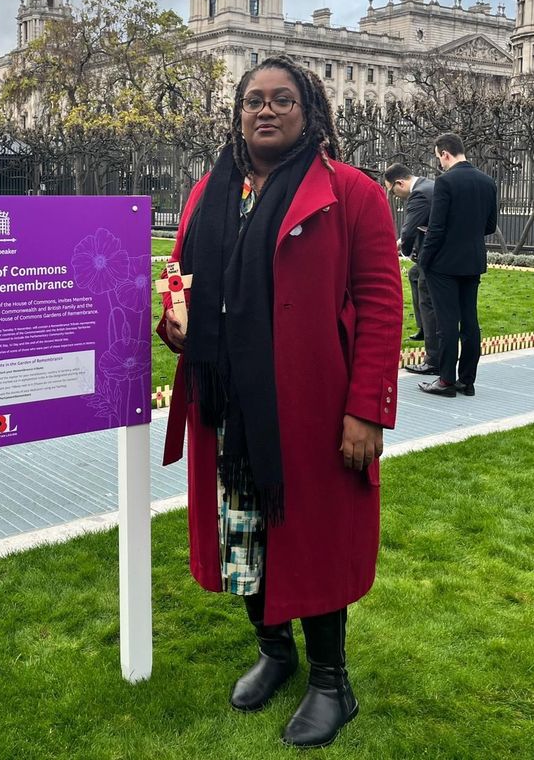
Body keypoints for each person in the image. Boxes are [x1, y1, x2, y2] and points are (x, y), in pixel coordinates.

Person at [157, 56, 403, 749]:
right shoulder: (211, 190)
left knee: (313, 540)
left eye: (282, 100)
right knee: (244, 532)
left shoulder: (350, 192)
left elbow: (383, 305)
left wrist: (368, 409)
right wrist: (174, 321)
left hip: (313, 409)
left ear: (310, 110)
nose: (265, 111)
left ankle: (332, 682)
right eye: (252, 100)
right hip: (229, 404)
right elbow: (183, 278)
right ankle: (274, 650)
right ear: (238, 113)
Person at [417, 133, 498, 397]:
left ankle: (446, 381)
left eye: (438, 156)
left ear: (445, 154)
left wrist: (424, 261)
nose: (439, 162)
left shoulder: (445, 182)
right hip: (472, 260)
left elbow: (436, 229)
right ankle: (467, 381)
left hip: (444, 264)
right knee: (470, 322)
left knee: (447, 323)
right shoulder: (487, 182)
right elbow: (488, 226)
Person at [383, 163, 440, 374]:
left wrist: (402, 251)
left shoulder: (418, 195)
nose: (395, 195)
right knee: (415, 275)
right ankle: (424, 328)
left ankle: (433, 360)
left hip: (434, 257)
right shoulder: (427, 185)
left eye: (392, 190)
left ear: (400, 182)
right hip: (437, 252)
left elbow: (408, 232)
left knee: (427, 300)